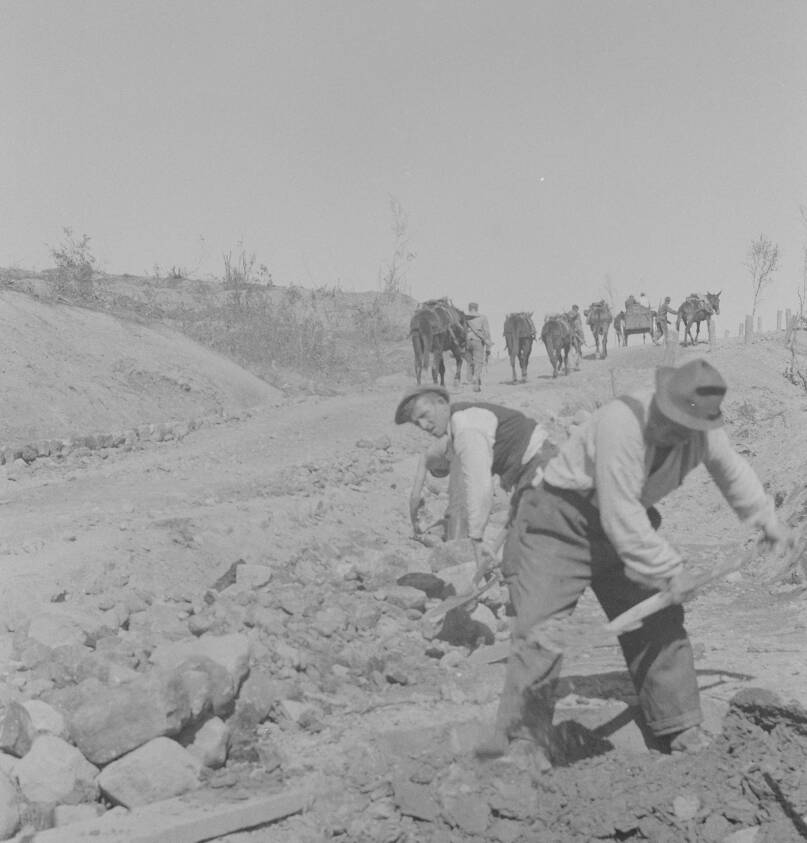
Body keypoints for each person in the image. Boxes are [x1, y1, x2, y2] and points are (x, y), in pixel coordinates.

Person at [478, 359, 793, 771]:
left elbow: (733, 472)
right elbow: (620, 513)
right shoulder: (621, 424)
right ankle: (525, 741)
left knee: (660, 618)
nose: (676, 433)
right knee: (541, 628)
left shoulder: (703, 433)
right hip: (559, 519)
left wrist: (768, 522)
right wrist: (669, 569)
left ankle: (679, 726)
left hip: (622, 523)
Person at [395, 385, 557, 576]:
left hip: (540, 470)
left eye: (424, 415)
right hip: (533, 472)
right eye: (417, 423)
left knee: (525, 558)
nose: (423, 425)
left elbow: (478, 486)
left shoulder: (465, 427)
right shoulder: (455, 429)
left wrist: (476, 539)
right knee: (521, 556)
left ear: (441, 403)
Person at [408, 434, 467, 541]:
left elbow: (414, 496)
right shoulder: (439, 448)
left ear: (439, 466)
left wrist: (414, 523)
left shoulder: (426, 457)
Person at [465, 302, 492, 392]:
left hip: (466, 341)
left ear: (469, 308)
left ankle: (469, 379)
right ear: (477, 308)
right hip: (477, 340)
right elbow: (487, 332)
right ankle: (476, 381)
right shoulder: (482, 317)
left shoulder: (464, 317)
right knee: (478, 362)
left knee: (469, 361)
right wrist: (488, 346)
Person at [565, 304, 585, 369]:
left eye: (576, 309)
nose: (576, 310)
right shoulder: (574, 314)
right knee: (577, 348)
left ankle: (574, 364)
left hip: (572, 331)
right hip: (574, 331)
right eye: (576, 308)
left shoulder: (569, 313)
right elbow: (578, 324)